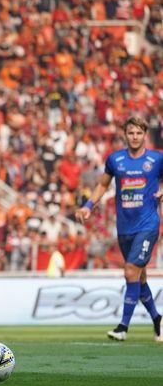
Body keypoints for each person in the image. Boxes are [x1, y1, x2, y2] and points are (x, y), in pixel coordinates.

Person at [76, 116, 163, 343]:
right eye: (131, 133)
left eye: (138, 133)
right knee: (139, 278)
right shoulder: (115, 159)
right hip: (124, 227)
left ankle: (122, 327)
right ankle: (157, 319)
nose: (134, 137)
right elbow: (103, 184)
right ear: (125, 134)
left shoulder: (156, 159)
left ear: (145, 135)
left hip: (148, 224)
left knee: (130, 271)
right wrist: (88, 206)